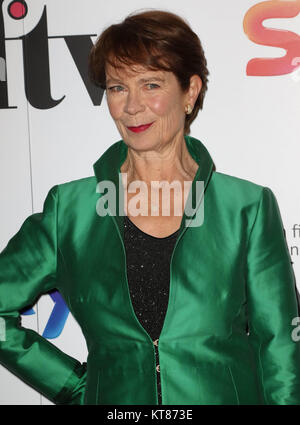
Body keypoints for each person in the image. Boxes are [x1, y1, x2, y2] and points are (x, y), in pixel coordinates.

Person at [0, 9, 300, 406]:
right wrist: (75, 387)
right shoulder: (69, 211)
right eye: (117, 88)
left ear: (190, 92)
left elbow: (280, 346)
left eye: (151, 84)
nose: (132, 106)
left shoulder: (245, 207)